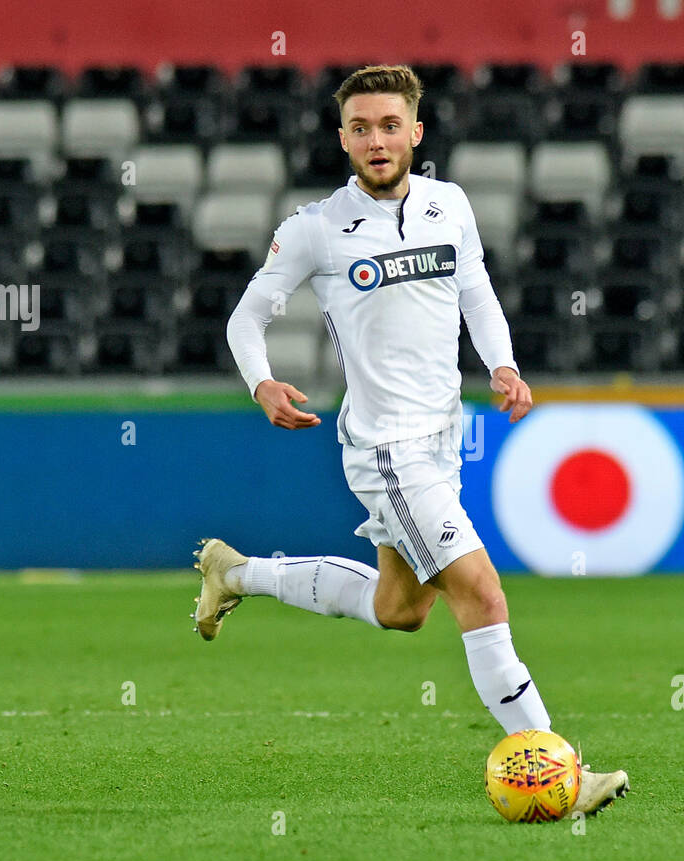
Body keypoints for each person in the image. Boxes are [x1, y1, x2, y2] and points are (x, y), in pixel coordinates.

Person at [193, 65, 627, 815]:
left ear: (416, 132)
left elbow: (477, 291)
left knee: (402, 608)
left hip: (442, 442)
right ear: (342, 139)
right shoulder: (315, 229)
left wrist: (505, 364)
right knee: (481, 592)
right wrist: (261, 381)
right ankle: (560, 768)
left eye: (390, 125)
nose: (376, 139)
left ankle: (235, 575)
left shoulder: (447, 205)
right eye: (360, 128)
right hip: (386, 450)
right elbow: (246, 316)